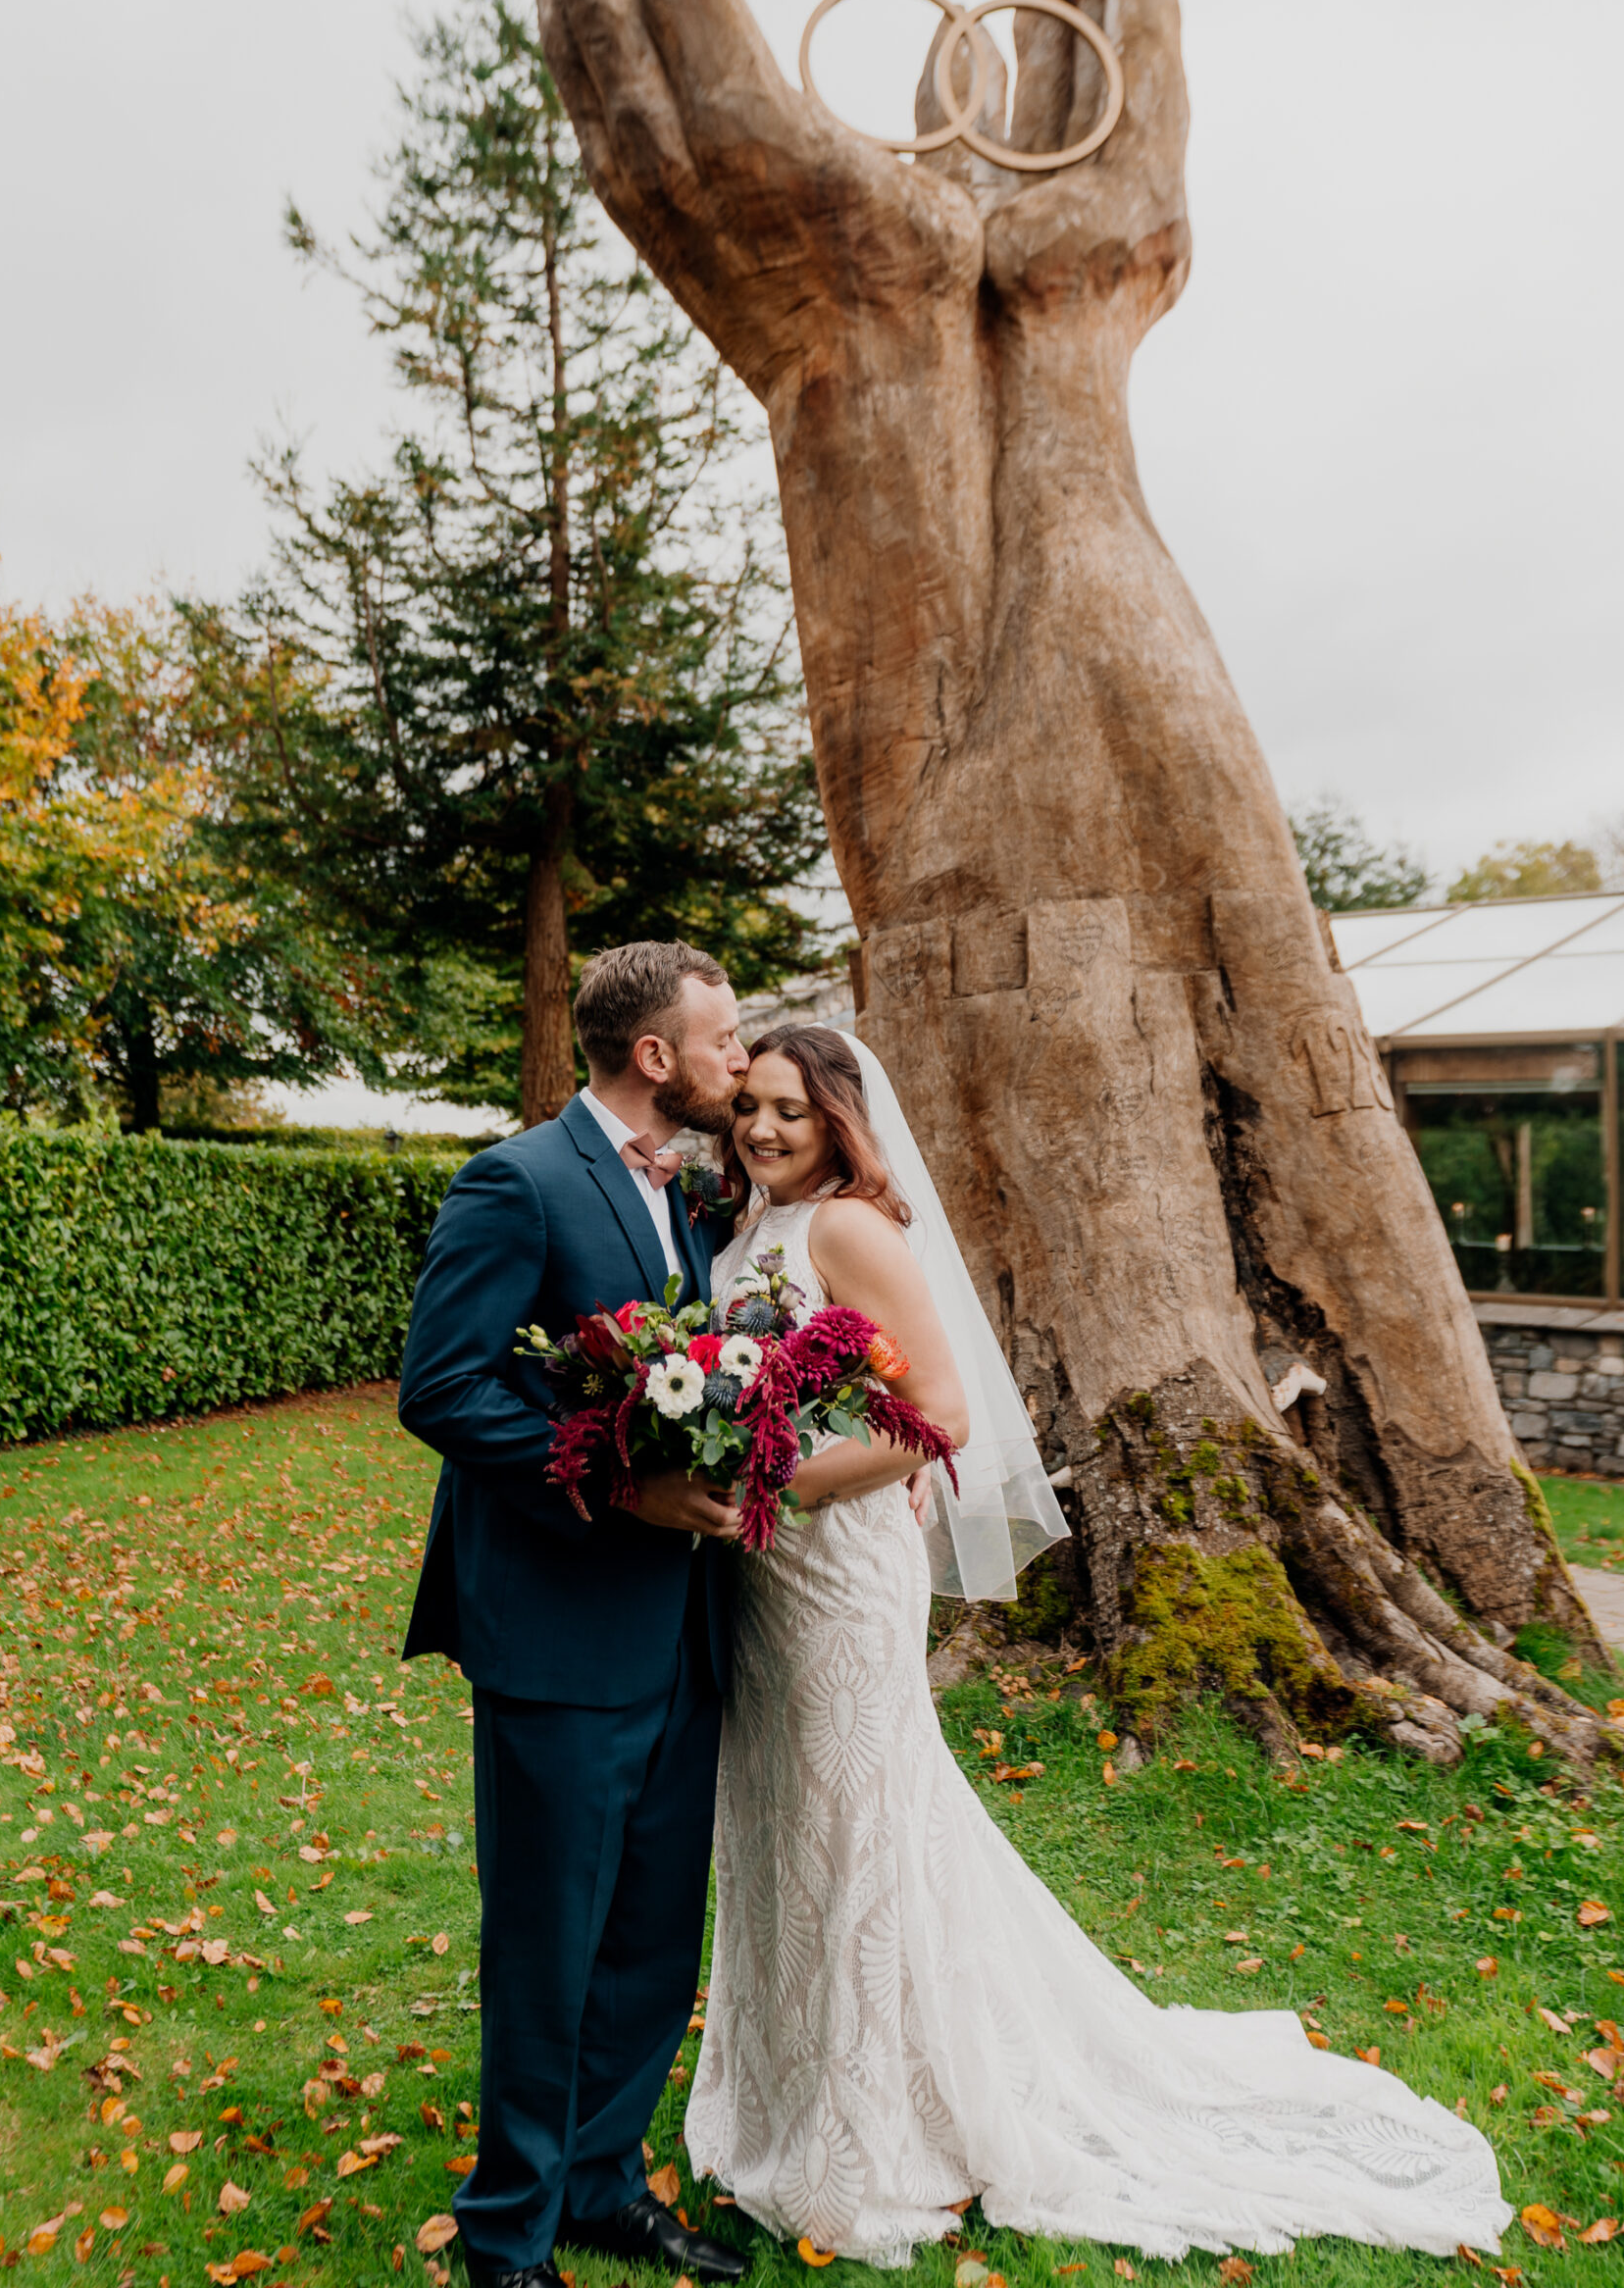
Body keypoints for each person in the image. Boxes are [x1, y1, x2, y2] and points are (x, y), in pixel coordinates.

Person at [684, 1023, 1511, 2269]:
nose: (762, 1128)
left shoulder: (850, 1227)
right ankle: (797, 2086)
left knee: (853, 1817)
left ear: (842, 1117)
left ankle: (872, 2123)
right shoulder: (743, 1233)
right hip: (760, 1579)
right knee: (785, 1820)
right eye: (749, 1106)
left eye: (791, 1110)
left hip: (833, 1563)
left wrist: (784, 1484)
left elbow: (942, 1418)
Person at [398, 941, 753, 2288]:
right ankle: (507, 2234)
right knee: (549, 1937)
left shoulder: (706, 1194)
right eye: (719, 1041)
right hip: (557, 1625)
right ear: (654, 1056)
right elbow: (443, 1390)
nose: (737, 1059)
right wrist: (625, 1490)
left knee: (657, 1933)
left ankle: (604, 2184)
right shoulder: (516, 1181)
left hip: (690, 1633)